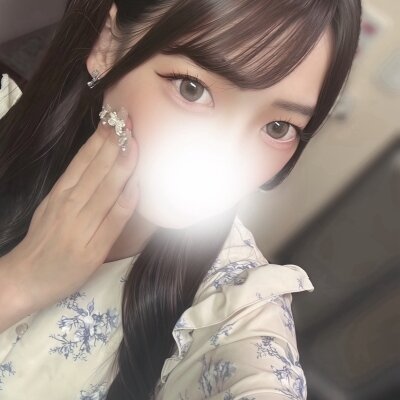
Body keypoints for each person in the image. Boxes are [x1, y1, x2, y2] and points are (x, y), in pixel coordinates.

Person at [0, 0, 362, 399]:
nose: (225, 159)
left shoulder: (235, 304)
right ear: (108, 44)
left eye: (278, 127)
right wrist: (18, 283)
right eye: (192, 89)